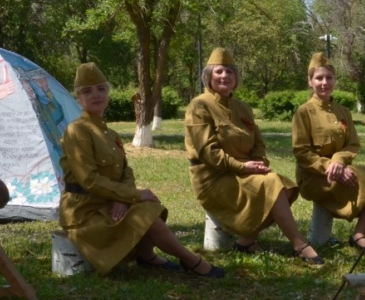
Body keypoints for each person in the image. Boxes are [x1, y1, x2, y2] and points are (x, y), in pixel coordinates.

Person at [59, 62, 223, 278]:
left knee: (150, 207)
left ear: (107, 94)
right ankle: (192, 261)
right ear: (78, 99)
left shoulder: (110, 134)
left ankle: (147, 257)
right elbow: (89, 180)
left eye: (101, 89)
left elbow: (125, 172)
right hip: (85, 213)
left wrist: (123, 199)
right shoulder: (76, 130)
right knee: (146, 211)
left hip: (108, 204)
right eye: (87, 91)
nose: (96, 95)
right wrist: (131, 195)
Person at [185, 48, 322, 264]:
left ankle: (246, 241)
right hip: (213, 177)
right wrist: (243, 167)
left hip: (244, 172)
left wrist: (257, 162)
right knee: (273, 183)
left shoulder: (243, 107)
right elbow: (208, 153)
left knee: (286, 188)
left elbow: (258, 142)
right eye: (219, 71)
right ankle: (300, 244)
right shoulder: (199, 106)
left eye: (230, 72)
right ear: (208, 76)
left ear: (236, 77)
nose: (225, 76)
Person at [292, 52, 365, 256]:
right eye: (319, 78)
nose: (324, 83)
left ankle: (359, 234)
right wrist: (330, 166)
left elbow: (353, 144)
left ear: (335, 80)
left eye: (329, 77)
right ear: (310, 81)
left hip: (340, 170)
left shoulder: (343, 111)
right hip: (313, 177)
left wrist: (339, 161)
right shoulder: (304, 112)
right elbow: (301, 152)